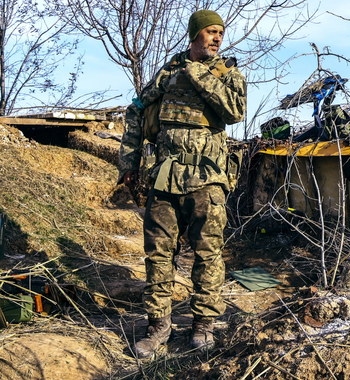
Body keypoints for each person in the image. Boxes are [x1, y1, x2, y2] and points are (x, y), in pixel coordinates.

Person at [118, 9, 246, 358]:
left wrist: (196, 71)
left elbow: (234, 112)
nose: (217, 37)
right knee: (158, 254)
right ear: (194, 35)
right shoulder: (167, 73)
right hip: (165, 177)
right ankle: (158, 327)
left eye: (221, 32)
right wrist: (128, 163)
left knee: (208, 254)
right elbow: (135, 111)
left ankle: (202, 325)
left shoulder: (228, 73)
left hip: (207, 179)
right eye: (210, 32)